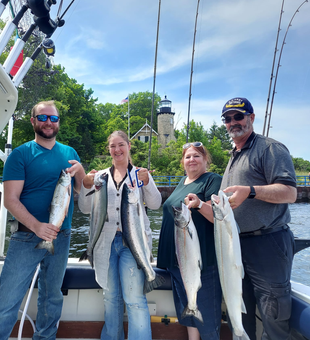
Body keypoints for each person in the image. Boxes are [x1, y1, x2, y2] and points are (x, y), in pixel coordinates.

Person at [0, 100, 85, 340]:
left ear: (59, 122)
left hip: (62, 234)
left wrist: (80, 172)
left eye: (53, 118)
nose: (49, 122)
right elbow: (11, 200)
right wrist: (37, 226)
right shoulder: (20, 154)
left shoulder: (70, 153)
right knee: (7, 297)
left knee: (52, 295)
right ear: (33, 121)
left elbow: (80, 190)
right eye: (43, 117)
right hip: (27, 235)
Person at [220, 97, 297, 340]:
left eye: (238, 117)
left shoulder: (270, 148)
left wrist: (251, 191)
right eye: (228, 119)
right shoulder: (234, 154)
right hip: (238, 246)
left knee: (273, 314)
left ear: (251, 118)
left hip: (268, 243)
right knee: (241, 315)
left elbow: (290, 193)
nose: (233, 122)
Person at [78, 130, 162, 340]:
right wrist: (85, 185)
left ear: (128, 146)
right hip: (104, 244)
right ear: (109, 150)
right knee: (111, 298)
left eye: (121, 144)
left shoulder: (139, 175)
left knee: (134, 299)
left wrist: (148, 180)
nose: (117, 150)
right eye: (112, 146)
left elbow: (155, 204)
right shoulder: (100, 176)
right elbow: (85, 208)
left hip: (133, 244)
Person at [157, 142, 222, 340]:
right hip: (176, 261)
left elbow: (217, 216)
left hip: (201, 261)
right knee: (188, 310)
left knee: (208, 318)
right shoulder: (182, 182)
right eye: (188, 157)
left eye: (197, 156)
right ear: (182, 162)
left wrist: (200, 204)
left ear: (205, 160)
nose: (191, 160)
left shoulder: (212, 180)